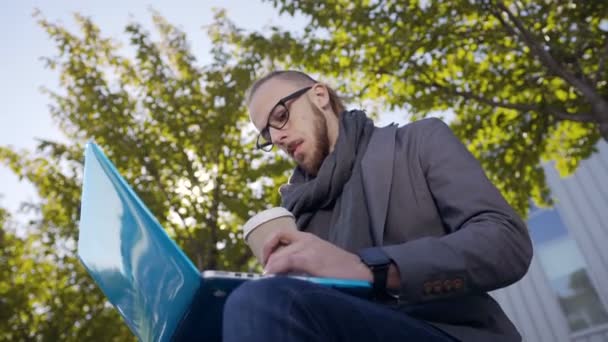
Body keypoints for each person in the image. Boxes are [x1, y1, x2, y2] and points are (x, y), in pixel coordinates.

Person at [222, 70, 533, 342]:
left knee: (259, 301)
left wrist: (371, 268)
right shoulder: (295, 218)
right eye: (267, 133)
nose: (277, 137)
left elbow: (505, 242)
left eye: (280, 116)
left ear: (319, 95)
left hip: (447, 331)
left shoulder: (418, 142)